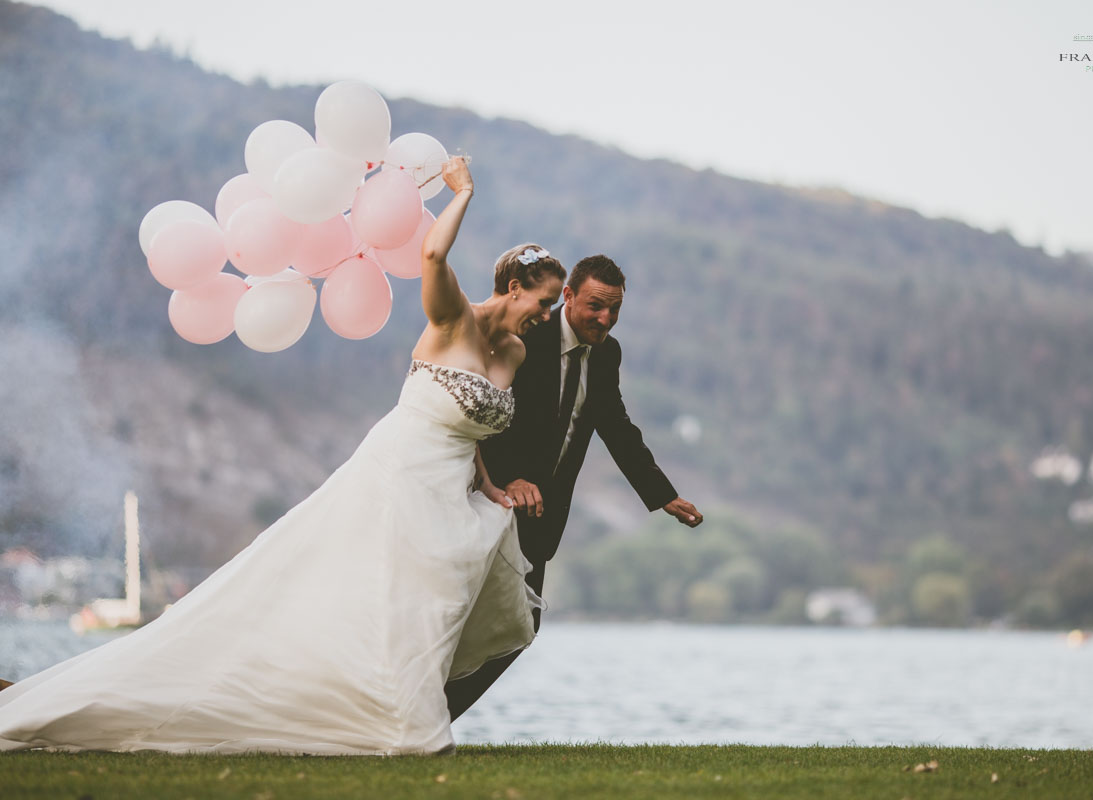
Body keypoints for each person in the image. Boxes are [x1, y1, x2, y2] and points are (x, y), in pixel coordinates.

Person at [0, 157, 565, 755]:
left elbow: (472, 431)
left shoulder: (514, 354)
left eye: (553, 306)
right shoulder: (453, 319)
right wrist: (464, 192)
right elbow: (430, 257)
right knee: (400, 592)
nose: (548, 315)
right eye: (546, 300)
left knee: (435, 600)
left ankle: (398, 713)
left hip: (451, 486)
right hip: (398, 473)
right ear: (513, 288)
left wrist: (493, 487)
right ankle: (409, 728)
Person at [444, 253, 703, 720]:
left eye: (615, 308)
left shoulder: (608, 353)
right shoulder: (526, 332)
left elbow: (617, 426)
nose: (606, 319)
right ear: (568, 296)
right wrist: (506, 478)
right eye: (596, 306)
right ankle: (423, 715)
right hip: (486, 497)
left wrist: (661, 494)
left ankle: (436, 717)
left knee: (523, 624)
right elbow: (484, 412)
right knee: (454, 614)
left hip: (542, 515)